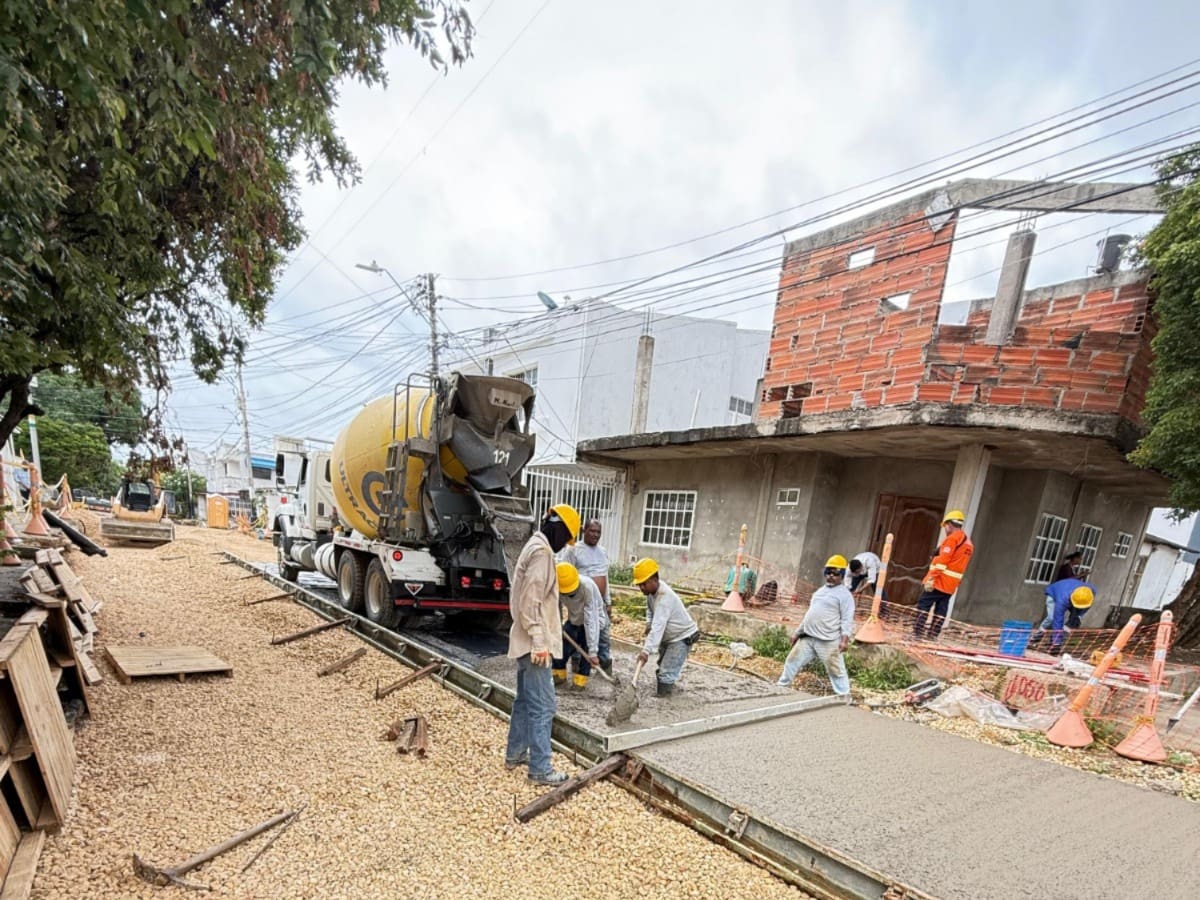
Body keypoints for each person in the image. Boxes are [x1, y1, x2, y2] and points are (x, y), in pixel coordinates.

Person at [504, 503, 580, 786]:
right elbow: (529, 601)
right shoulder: (542, 553)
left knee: (524, 701)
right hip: (533, 645)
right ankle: (540, 769)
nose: (564, 546)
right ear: (558, 529)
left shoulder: (534, 546)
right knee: (543, 706)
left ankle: (515, 754)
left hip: (525, 640)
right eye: (567, 537)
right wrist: (539, 641)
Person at [777, 555, 856, 696]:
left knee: (836, 670)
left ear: (842, 575)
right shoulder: (820, 592)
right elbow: (809, 615)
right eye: (828, 572)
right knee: (792, 660)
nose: (831, 576)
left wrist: (844, 640)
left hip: (828, 640)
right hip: (808, 637)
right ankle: (781, 686)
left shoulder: (845, 596)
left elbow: (847, 620)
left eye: (835, 573)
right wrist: (797, 633)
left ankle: (844, 696)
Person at [633, 558, 699, 697]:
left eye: (643, 584)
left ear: (654, 579)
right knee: (662, 666)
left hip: (681, 637)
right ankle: (666, 690)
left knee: (666, 673)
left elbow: (658, 628)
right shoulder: (651, 593)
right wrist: (648, 623)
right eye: (639, 585)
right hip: (669, 637)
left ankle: (665, 698)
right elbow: (650, 610)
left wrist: (645, 652)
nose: (641, 588)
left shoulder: (664, 598)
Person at [560, 519, 613, 676]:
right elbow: (565, 573)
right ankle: (577, 662)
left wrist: (608, 601)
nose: (595, 535)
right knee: (578, 633)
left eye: (598, 532)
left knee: (602, 633)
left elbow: (605, 577)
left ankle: (603, 665)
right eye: (592, 531)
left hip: (600, 602)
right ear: (584, 530)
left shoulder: (602, 551)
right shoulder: (573, 550)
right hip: (579, 601)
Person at [913, 510, 974, 641]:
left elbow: (943, 561)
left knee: (923, 605)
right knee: (941, 608)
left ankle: (917, 633)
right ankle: (933, 635)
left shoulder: (952, 539)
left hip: (939, 581)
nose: (945, 529)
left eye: (945, 526)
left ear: (949, 524)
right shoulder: (968, 543)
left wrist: (931, 578)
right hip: (951, 584)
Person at [552, 562, 608, 690]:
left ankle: (580, 681)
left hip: (593, 621)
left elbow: (591, 619)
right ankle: (559, 675)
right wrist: (557, 624)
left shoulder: (587, 587)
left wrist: (593, 652)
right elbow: (555, 606)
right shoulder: (556, 585)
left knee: (586, 652)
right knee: (562, 646)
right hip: (575, 619)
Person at [1028, 579, 1096, 655]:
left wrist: (1079, 616)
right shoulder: (1062, 599)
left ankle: (1053, 642)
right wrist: (1057, 643)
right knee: (1052, 618)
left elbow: (1086, 606)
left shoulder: (1090, 592)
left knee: (1074, 621)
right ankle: (1035, 638)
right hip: (1054, 594)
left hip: (1073, 595)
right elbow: (1058, 620)